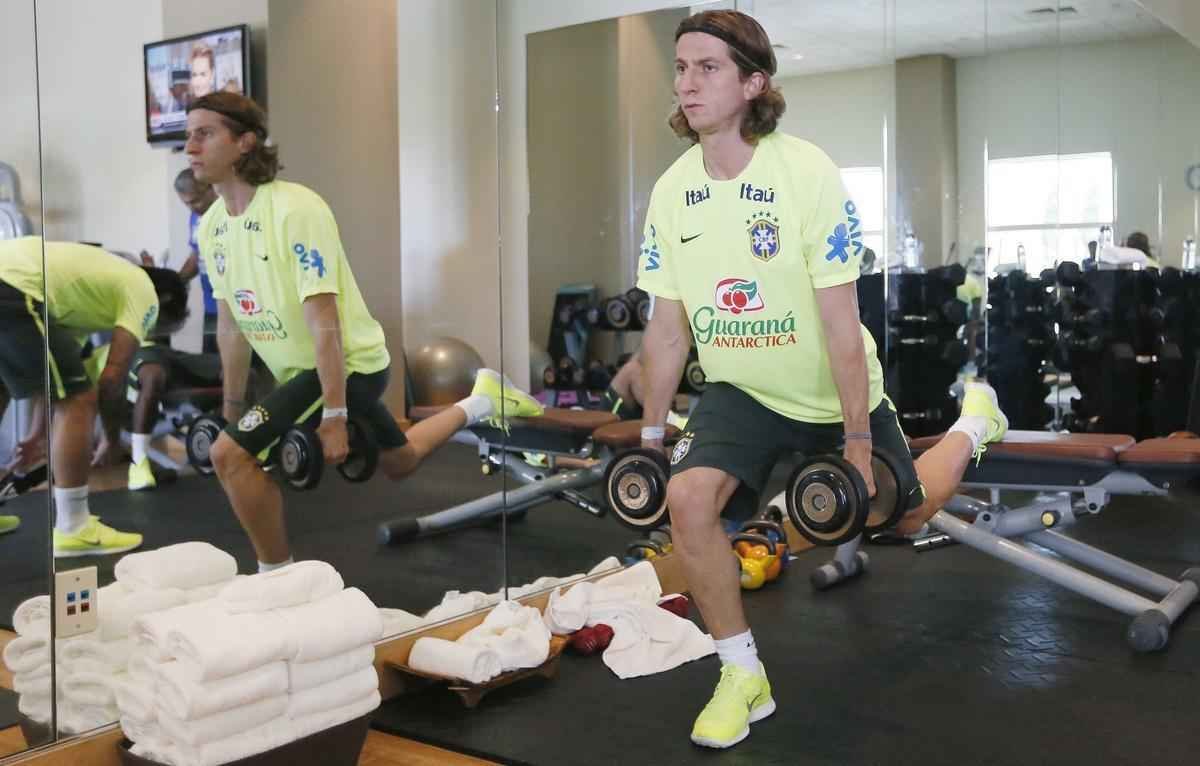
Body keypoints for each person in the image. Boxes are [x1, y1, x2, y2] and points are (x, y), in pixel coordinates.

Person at [635, 10, 1009, 749]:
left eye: (707, 68)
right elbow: (668, 328)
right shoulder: (672, 191)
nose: (687, 83)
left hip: (831, 389)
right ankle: (742, 673)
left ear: (753, 82)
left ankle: (974, 422)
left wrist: (859, 443)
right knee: (686, 496)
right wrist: (652, 436)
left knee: (893, 516)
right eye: (681, 67)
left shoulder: (804, 173)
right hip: (741, 390)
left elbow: (842, 322)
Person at [185, 92, 543, 573]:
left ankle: (276, 578)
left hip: (348, 364)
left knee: (229, 455)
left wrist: (334, 413)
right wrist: (231, 408)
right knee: (401, 461)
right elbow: (230, 326)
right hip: (299, 371)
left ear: (245, 142)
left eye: (204, 134)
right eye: (189, 135)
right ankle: (481, 399)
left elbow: (324, 319)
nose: (190, 146)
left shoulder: (296, 210)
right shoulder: (210, 228)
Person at [0, 237, 189, 556]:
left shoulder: (86, 301)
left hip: (12, 279)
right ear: (166, 298)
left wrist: (36, 435)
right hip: (14, 286)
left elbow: (52, 381)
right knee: (80, 400)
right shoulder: (143, 292)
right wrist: (112, 439)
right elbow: (111, 378)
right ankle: (75, 527)